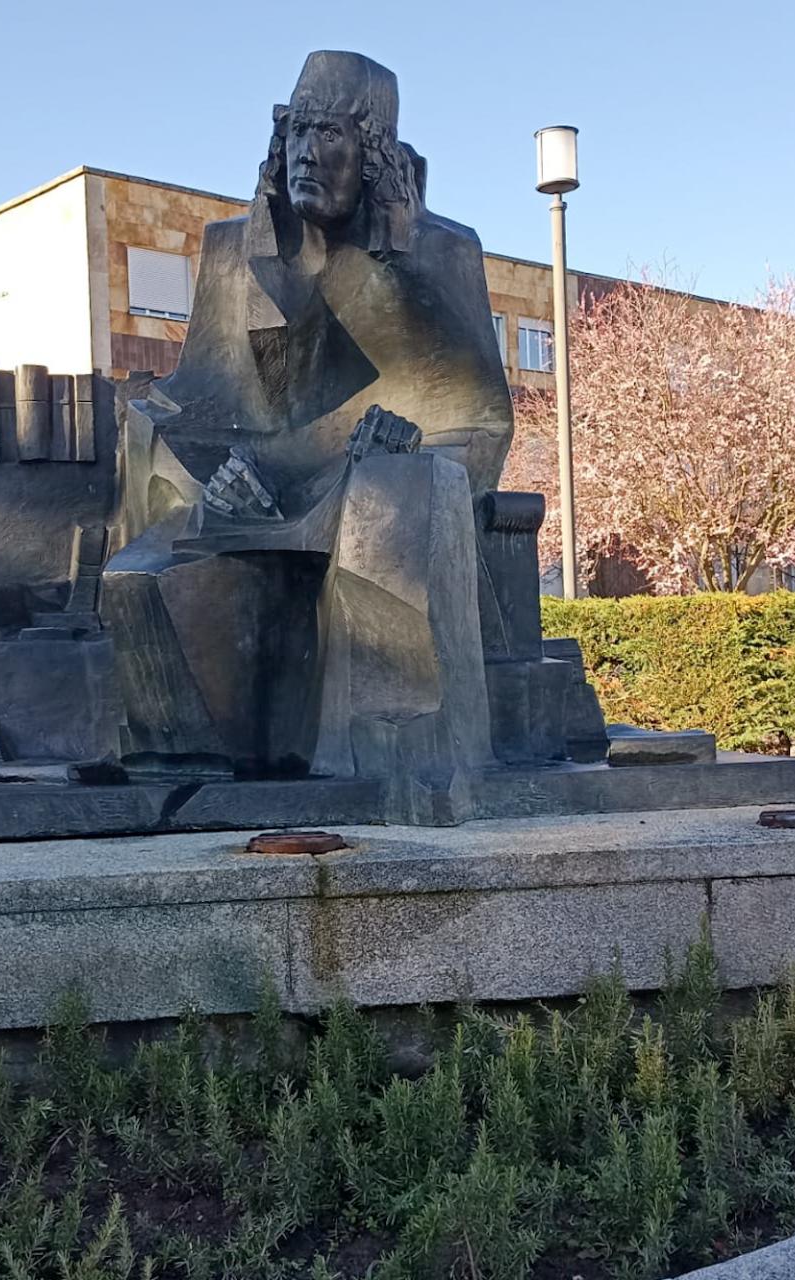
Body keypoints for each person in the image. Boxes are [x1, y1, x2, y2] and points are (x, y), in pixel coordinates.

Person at [101, 52, 513, 809]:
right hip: (251, 498)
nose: (305, 153)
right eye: (295, 131)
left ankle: (384, 762)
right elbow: (192, 398)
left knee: (389, 502)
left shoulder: (443, 251)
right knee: (141, 576)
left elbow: (483, 421)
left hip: (368, 488)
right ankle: (183, 769)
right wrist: (211, 469)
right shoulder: (233, 250)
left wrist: (414, 446)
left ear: (375, 154)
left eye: (329, 134)